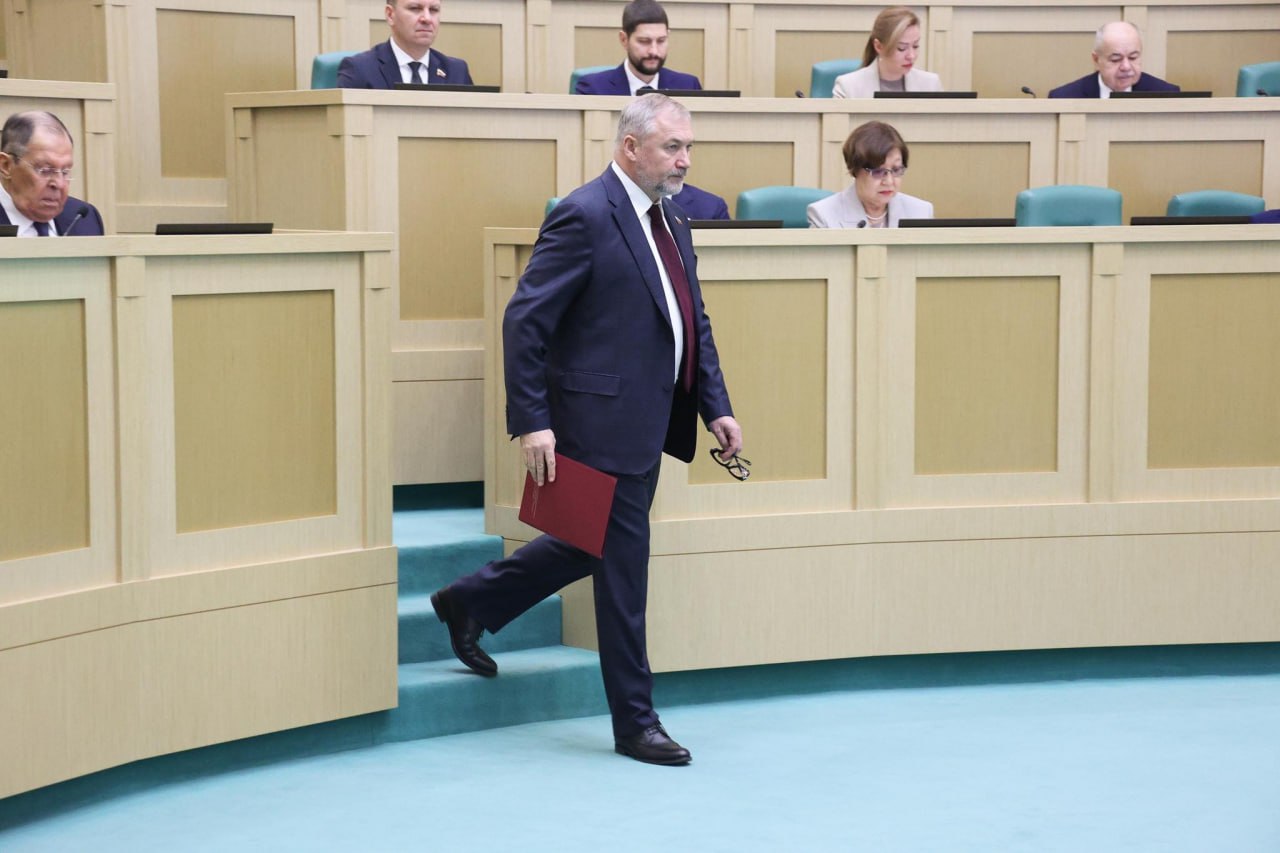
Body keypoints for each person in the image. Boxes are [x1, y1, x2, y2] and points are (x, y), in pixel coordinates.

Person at [431, 93, 743, 766]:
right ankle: (636, 722)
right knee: (624, 572)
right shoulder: (583, 213)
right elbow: (525, 321)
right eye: (672, 147)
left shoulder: (672, 216)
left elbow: (692, 319)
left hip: (649, 419)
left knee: (588, 543)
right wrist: (533, 422)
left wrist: (714, 405)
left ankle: (468, 600)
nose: (685, 160)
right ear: (631, 147)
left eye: (688, 148)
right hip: (597, 422)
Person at [808, 120, 932, 228]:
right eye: (878, 171)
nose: (889, 181)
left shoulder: (920, 212)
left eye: (896, 170)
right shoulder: (824, 215)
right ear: (855, 170)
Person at [0, 111, 104, 236]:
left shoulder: (85, 220)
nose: (59, 184)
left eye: (65, 172)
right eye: (45, 170)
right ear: (6, 166)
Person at [574, 0, 701, 95]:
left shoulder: (689, 86)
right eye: (644, 41)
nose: (654, 51)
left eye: (661, 41)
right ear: (624, 39)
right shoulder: (593, 88)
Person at [337, 0, 472, 89]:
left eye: (433, 10)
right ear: (390, 15)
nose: (427, 18)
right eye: (415, 8)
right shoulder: (360, 70)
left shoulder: (457, 72)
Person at [832, 7, 942, 98]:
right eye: (901, 48)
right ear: (878, 46)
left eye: (915, 46)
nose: (911, 56)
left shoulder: (931, 84)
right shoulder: (847, 86)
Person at [1049, 22, 1179, 98]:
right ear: (1096, 60)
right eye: (1116, 59)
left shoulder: (1166, 94)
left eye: (1133, 57)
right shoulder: (1065, 97)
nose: (1126, 67)